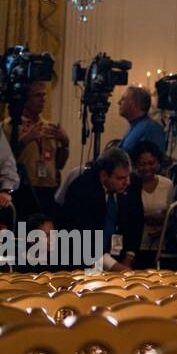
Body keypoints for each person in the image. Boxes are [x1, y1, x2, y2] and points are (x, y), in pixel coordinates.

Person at [58, 147, 142, 271]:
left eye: (128, 176)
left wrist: (129, 257)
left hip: (119, 256)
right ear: (103, 175)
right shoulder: (82, 190)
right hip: (83, 260)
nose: (127, 182)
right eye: (120, 178)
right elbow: (82, 239)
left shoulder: (132, 184)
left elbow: (137, 221)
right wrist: (114, 266)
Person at [15, 81, 70, 216]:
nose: (43, 99)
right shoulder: (10, 125)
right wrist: (24, 140)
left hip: (48, 190)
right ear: (26, 99)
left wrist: (65, 143)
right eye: (37, 95)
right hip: (24, 190)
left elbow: (60, 165)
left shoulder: (50, 127)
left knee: (46, 235)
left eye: (44, 95)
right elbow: (5, 160)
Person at [131, 140, 174, 267]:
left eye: (151, 163)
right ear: (135, 165)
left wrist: (163, 228)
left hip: (160, 246)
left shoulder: (167, 184)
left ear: (158, 163)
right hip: (134, 246)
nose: (147, 168)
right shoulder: (130, 184)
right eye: (142, 164)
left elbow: (170, 214)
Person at [117, 86, 166, 158]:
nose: (118, 102)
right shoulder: (135, 126)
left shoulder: (151, 129)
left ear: (133, 104)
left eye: (123, 99)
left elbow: (152, 164)